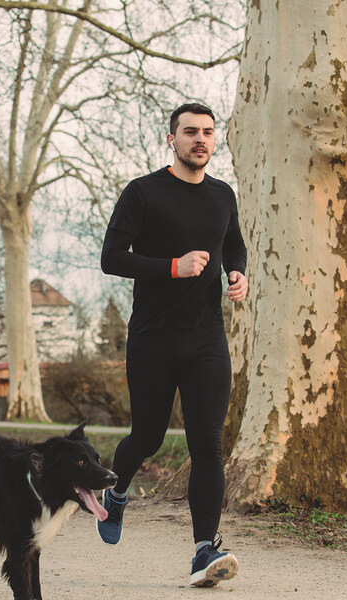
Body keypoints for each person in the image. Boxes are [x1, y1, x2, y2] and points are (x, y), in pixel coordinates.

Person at [97, 102, 248, 587]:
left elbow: (234, 243)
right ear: (172, 139)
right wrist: (171, 267)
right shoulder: (143, 192)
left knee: (209, 445)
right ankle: (115, 495)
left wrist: (237, 272)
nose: (199, 139)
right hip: (153, 340)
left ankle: (204, 550)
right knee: (148, 438)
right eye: (189, 132)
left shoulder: (223, 195)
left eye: (207, 132)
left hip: (206, 340)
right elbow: (111, 258)